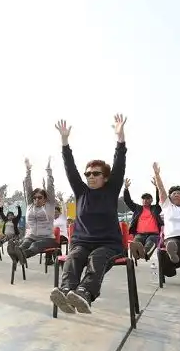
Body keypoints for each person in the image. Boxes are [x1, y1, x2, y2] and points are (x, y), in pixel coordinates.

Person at [50, 115, 128, 314]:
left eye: (95, 173)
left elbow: (119, 165)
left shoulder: (111, 190)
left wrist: (120, 138)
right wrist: (65, 142)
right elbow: (70, 168)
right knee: (74, 257)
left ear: (105, 177)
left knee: (97, 258)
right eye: (88, 174)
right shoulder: (81, 191)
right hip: (81, 242)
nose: (90, 176)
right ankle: (66, 291)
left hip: (108, 245)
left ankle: (84, 294)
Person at [7, 157, 59, 267]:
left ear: (45, 199)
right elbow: (27, 188)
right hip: (31, 236)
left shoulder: (49, 205)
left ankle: (19, 255)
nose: (36, 200)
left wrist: (48, 170)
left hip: (48, 238)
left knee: (35, 245)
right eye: (34, 198)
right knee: (24, 244)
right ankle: (18, 253)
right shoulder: (30, 205)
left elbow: (50, 187)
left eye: (40, 197)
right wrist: (28, 171)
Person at [123, 177, 162, 260]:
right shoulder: (137, 208)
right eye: (144, 199)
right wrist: (126, 189)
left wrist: (157, 187)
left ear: (151, 200)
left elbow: (160, 200)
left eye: (148, 198)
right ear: (141, 200)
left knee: (150, 243)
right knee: (136, 242)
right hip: (139, 234)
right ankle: (136, 253)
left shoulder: (156, 208)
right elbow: (128, 201)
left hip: (153, 234)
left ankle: (145, 253)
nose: (145, 200)